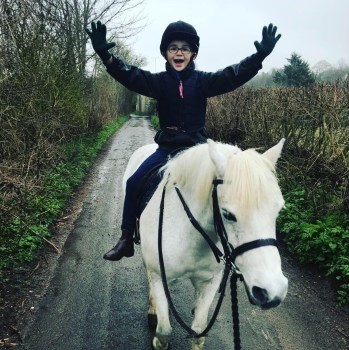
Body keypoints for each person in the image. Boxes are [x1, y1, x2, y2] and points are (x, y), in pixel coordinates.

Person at [85, 20, 281, 261]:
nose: (179, 52)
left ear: (193, 54)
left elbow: (233, 76)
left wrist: (258, 57)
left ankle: (231, 240)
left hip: (197, 149)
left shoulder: (203, 81)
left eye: (185, 48)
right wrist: (106, 56)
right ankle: (126, 238)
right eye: (173, 48)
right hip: (167, 149)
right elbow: (129, 75)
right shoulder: (158, 82)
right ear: (166, 54)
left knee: (225, 186)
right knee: (135, 181)